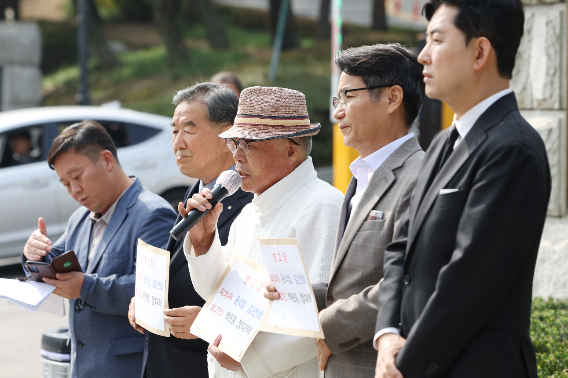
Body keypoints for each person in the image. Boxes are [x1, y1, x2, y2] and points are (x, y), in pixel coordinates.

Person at [374, 1, 551, 378]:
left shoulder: (511, 149)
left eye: (436, 40)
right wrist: (387, 334)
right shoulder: (441, 143)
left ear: (480, 52)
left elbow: (468, 284)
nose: (422, 56)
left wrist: (404, 366)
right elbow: (400, 249)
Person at [265, 43, 425, 377]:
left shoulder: (421, 176)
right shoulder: (359, 177)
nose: (337, 112)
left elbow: (411, 280)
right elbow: (351, 283)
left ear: (393, 98)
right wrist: (299, 294)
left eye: (348, 97)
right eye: (338, 100)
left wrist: (328, 326)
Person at [183, 86, 344, 378]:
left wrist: (249, 358)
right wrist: (204, 241)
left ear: (290, 150)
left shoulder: (322, 207)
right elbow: (215, 294)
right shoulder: (251, 211)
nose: (237, 156)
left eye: (249, 144)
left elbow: (324, 317)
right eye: (234, 144)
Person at [22, 120, 176, 378]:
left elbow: (153, 292)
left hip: (128, 368)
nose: (74, 190)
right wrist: (33, 252)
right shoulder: (80, 219)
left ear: (107, 160)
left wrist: (85, 287)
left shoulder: (152, 213)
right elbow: (51, 260)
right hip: (84, 366)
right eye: (66, 184)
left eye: (77, 176)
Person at [127, 83, 254, 378]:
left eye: (189, 129)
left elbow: (258, 295)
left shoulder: (250, 201)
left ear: (227, 135)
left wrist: (208, 322)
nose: (177, 142)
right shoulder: (194, 190)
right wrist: (146, 300)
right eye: (174, 131)